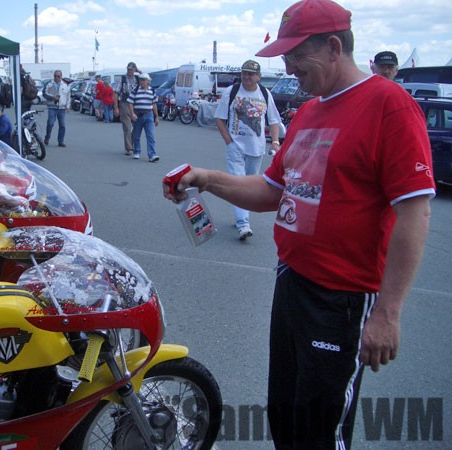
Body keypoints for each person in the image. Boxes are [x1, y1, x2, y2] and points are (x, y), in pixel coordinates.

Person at [163, 0, 435, 448]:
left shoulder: (389, 105)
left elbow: (415, 211)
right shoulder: (308, 113)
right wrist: (208, 180)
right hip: (292, 284)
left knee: (318, 429)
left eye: (295, 55)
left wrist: (387, 313)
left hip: (341, 299)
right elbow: (273, 191)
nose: (288, 68)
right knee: (285, 414)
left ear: (333, 47)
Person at [214, 59, 282, 240]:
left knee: (250, 186)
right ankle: (243, 224)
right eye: (244, 73)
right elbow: (219, 119)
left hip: (256, 147)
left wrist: (275, 141)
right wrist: (229, 141)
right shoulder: (232, 92)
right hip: (235, 146)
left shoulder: (265, 94)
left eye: (251, 74)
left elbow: (274, 120)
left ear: (258, 77)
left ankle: (241, 217)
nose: (247, 77)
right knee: (237, 183)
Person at [127, 73, 159, 162]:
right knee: (136, 135)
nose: (142, 81)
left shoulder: (152, 91)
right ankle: (137, 151)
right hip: (138, 114)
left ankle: (152, 155)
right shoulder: (135, 90)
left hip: (149, 115)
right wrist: (132, 113)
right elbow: (130, 102)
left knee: (151, 136)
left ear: (148, 81)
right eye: (141, 80)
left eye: (144, 80)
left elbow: (154, 104)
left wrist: (156, 116)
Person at [114, 62, 140, 156]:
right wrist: (116, 108)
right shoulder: (122, 79)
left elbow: (148, 80)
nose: (130, 71)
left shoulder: (137, 78)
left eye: (132, 69)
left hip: (135, 103)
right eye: (128, 69)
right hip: (125, 103)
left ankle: (131, 143)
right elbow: (116, 93)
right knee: (127, 127)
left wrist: (139, 71)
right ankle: (129, 148)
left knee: (137, 126)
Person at [43, 70, 70, 147]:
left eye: (58, 76)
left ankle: (60, 141)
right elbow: (44, 93)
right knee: (50, 123)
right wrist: (52, 97)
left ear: (61, 76)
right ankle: (47, 137)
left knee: (62, 125)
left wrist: (67, 106)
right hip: (52, 107)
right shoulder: (49, 84)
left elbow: (68, 97)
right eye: (55, 76)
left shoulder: (65, 85)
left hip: (61, 107)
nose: (56, 77)